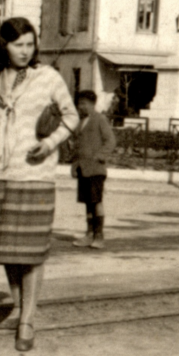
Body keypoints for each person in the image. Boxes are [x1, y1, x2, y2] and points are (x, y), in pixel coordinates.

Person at [0, 17, 78, 352]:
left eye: (29, 44)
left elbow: (72, 116)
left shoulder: (48, 77)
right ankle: (18, 305)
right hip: (0, 174)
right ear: (2, 45)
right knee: (8, 248)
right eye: (17, 44)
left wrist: (50, 144)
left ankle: (27, 320)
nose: (25, 51)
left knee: (31, 252)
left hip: (35, 174)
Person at [71, 90, 116, 249]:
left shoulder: (100, 119)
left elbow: (110, 141)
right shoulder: (79, 121)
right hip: (82, 169)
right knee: (87, 203)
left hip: (96, 169)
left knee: (96, 201)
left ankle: (99, 236)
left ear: (92, 104)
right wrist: (75, 163)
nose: (80, 107)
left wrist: (99, 157)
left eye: (83, 103)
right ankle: (89, 234)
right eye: (79, 103)